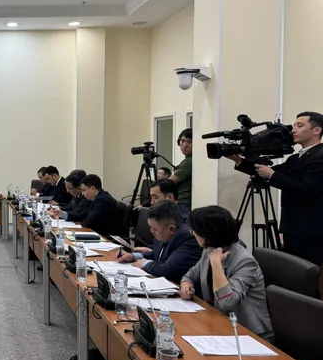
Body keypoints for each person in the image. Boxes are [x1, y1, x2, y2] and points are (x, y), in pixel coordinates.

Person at [228, 111, 323, 265]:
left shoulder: (320, 155)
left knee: (306, 271)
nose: (293, 130)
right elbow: (264, 172)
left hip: (310, 230)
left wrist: (272, 175)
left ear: (316, 130)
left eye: (300, 126)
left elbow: (307, 189)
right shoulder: (296, 158)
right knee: (292, 269)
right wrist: (238, 160)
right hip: (293, 226)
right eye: (294, 125)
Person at [180, 206, 272, 340]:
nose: (193, 234)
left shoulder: (245, 262)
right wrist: (186, 286)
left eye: (194, 231)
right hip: (219, 324)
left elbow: (227, 303)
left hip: (250, 334)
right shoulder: (209, 250)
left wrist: (216, 264)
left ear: (207, 234)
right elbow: (190, 276)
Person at [117, 201, 201, 282]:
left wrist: (145, 263)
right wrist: (134, 256)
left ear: (171, 229)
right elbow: (159, 255)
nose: (151, 231)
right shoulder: (165, 231)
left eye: (155, 229)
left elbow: (168, 270)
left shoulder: (187, 238)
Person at [170, 128, 193, 210]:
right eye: (182, 141)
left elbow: (169, 183)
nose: (185, 145)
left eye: (189, 142)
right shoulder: (188, 160)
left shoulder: (189, 161)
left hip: (183, 205)